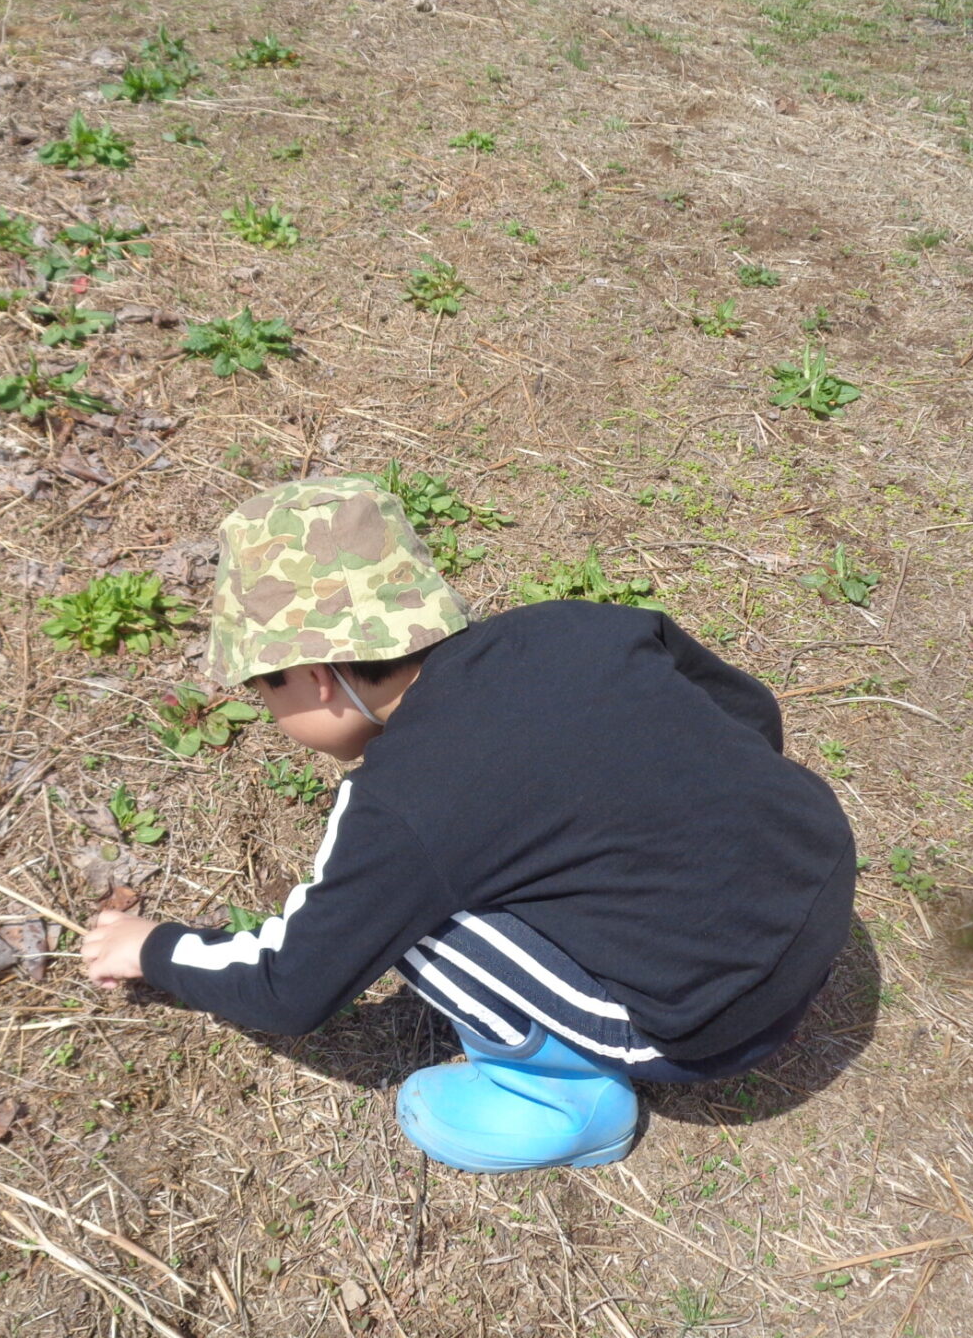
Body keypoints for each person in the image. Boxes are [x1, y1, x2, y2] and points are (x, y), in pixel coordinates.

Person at [82, 476, 856, 1172]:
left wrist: (153, 948)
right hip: (819, 878)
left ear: (316, 677)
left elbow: (290, 986)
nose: (272, 714)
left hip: (716, 1019)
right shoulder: (574, 625)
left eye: (266, 691)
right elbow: (748, 710)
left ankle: (558, 1097)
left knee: (411, 914)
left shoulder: (402, 804)